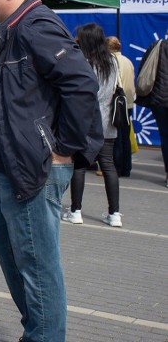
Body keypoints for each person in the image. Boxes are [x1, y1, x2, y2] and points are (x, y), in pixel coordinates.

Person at [0, 0, 102, 342]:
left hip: (35, 166)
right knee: (10, 248)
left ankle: (43, 334)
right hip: (18, 165)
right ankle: (40, 328)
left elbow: (81, 84)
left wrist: (65, 150)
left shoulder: (35, 25)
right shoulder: (16, 28)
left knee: (37, 264)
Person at [61, 24, 122, 227]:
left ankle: (75, 210)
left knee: (79, 165)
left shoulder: (82, 62)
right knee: (108, 166)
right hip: (108, 121)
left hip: (86, 121)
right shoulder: (112, 61)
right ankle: (115, 213)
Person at [135, 30, 168, 188]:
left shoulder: (157, 46)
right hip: (160, 100)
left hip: (159, 99)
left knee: (165, 136)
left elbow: (144, 69)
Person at [106, 36, 134, 177]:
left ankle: (116, 167)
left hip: (117, 103)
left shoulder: (112, 62)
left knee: (115, 137)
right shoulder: (127, 61)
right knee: (125, 137)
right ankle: (126, 167)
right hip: (128, 103)